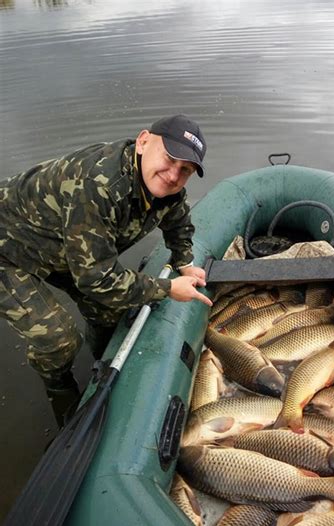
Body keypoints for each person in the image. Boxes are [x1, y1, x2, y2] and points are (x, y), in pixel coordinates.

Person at [0, 114, 213, 425]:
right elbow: (95, 278)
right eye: (169, 159)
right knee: (58, 338)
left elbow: (177, 220)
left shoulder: (168, 187)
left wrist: (185, 262)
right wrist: (167, 289)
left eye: (185, 170)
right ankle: (60, 388)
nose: (172, 175)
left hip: (60, 243)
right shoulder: (98, 185)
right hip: (7, 247)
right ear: (143, 142)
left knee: (109, 310)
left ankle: (104, 361)